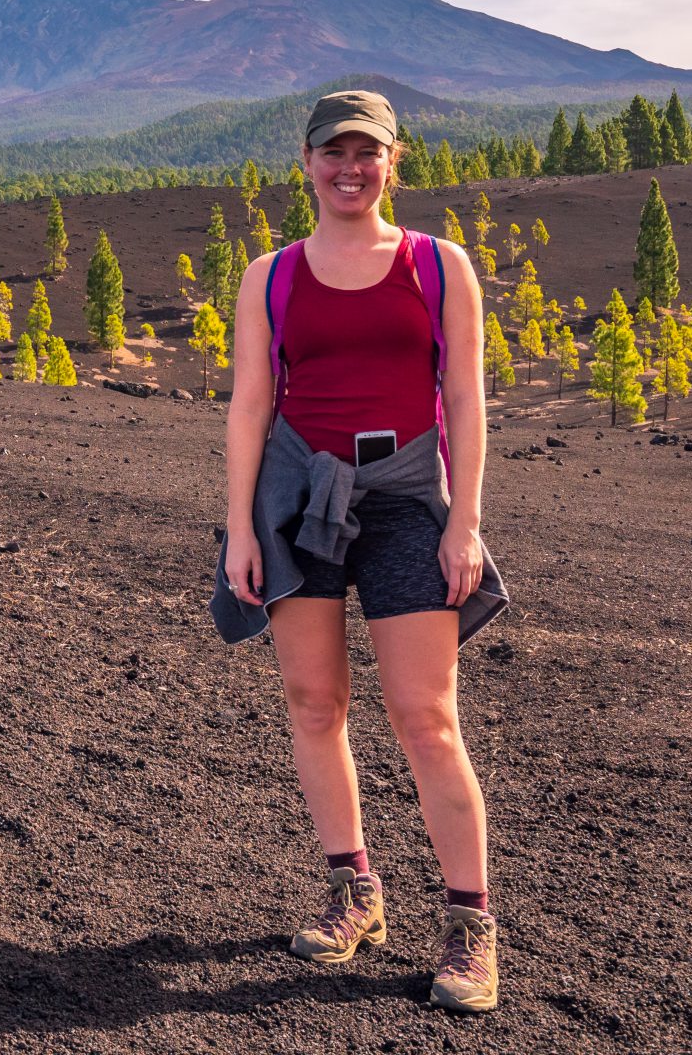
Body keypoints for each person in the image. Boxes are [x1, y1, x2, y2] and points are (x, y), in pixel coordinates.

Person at [211, 89, 510, 1014]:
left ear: (394, 161)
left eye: (366, 153)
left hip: (409, 500)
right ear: (305, 164)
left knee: (425, 717)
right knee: (313, 703)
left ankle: (469, 929)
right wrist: (237, 529)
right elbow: (252, 403)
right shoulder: (269, 274)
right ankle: (355, 894)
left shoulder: (437, 265)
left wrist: (463, 522)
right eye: (332, 153)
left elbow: (464, 400)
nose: (350, 168)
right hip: (299, 499)